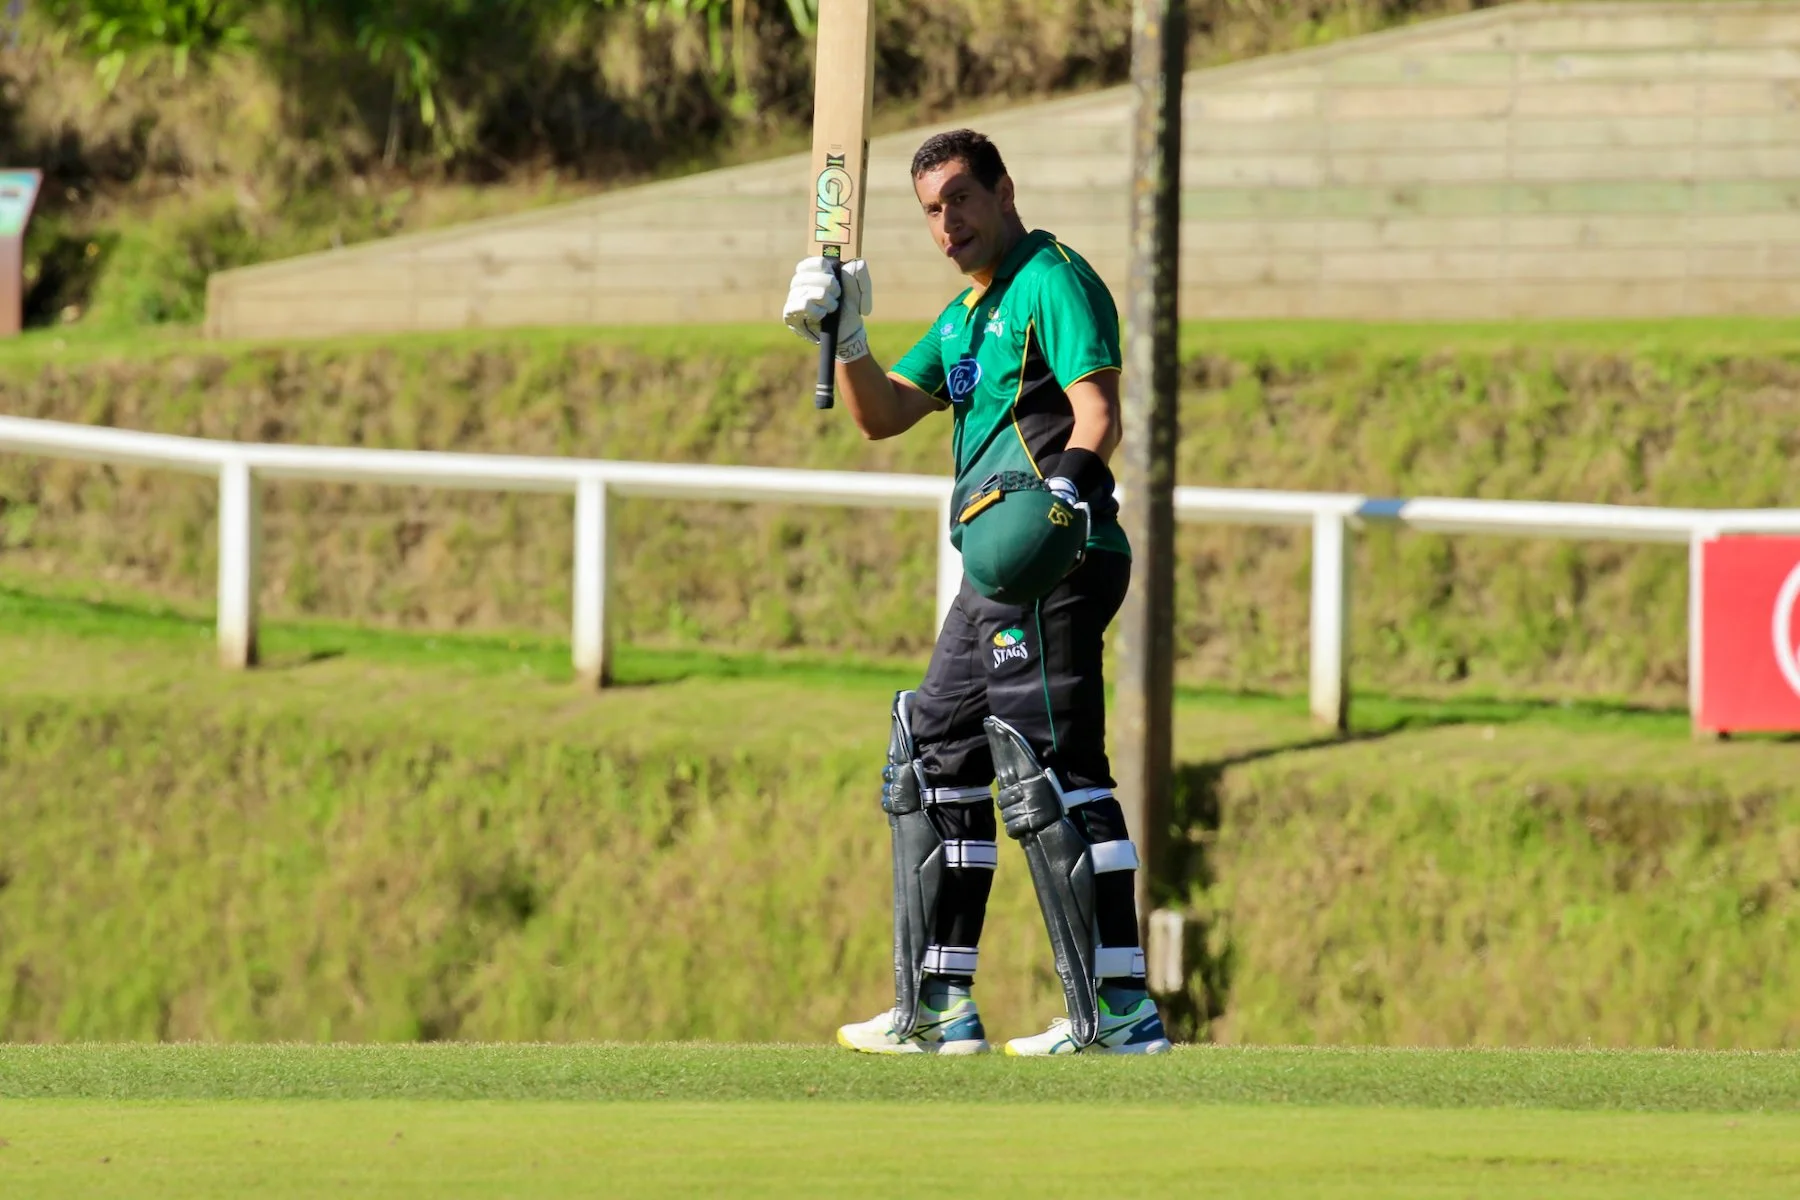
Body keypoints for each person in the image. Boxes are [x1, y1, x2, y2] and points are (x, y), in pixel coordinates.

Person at [781, 129, 1170, 1056]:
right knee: (931, 753)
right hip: (991, 572)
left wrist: (1065, 498)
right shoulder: (964, 318)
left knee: (1049, 770)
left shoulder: (1051, 277)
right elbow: (879, 417)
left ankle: (1119, 1011)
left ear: (1001, 189)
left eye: (960, 198)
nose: (946, 222)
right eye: (930, 209)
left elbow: (1099, 412)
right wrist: (849, 336)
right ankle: (939, 1007)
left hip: (1050, 558)